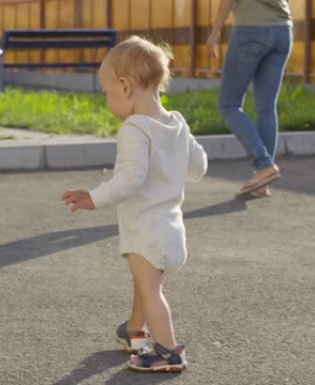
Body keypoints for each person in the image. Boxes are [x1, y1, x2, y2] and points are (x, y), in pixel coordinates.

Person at [61, 35, 208, 372]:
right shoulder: (177, 123)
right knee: (144, 285)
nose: (107, 99)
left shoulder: (134, 128)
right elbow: (198, 169)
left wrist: (93, 197)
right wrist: (183, 146)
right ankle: (135, 333)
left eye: (106, 92)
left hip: (146, 231)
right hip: (171, 230)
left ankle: (170, 351)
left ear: (125, 87)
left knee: (152, 292)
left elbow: (130, 180)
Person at [207, 0, 293, 197]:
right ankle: (262, 180)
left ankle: (264, 164)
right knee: (266, 108)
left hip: (251, 30)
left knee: (228, 104)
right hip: (283, 30)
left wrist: (215, 32)